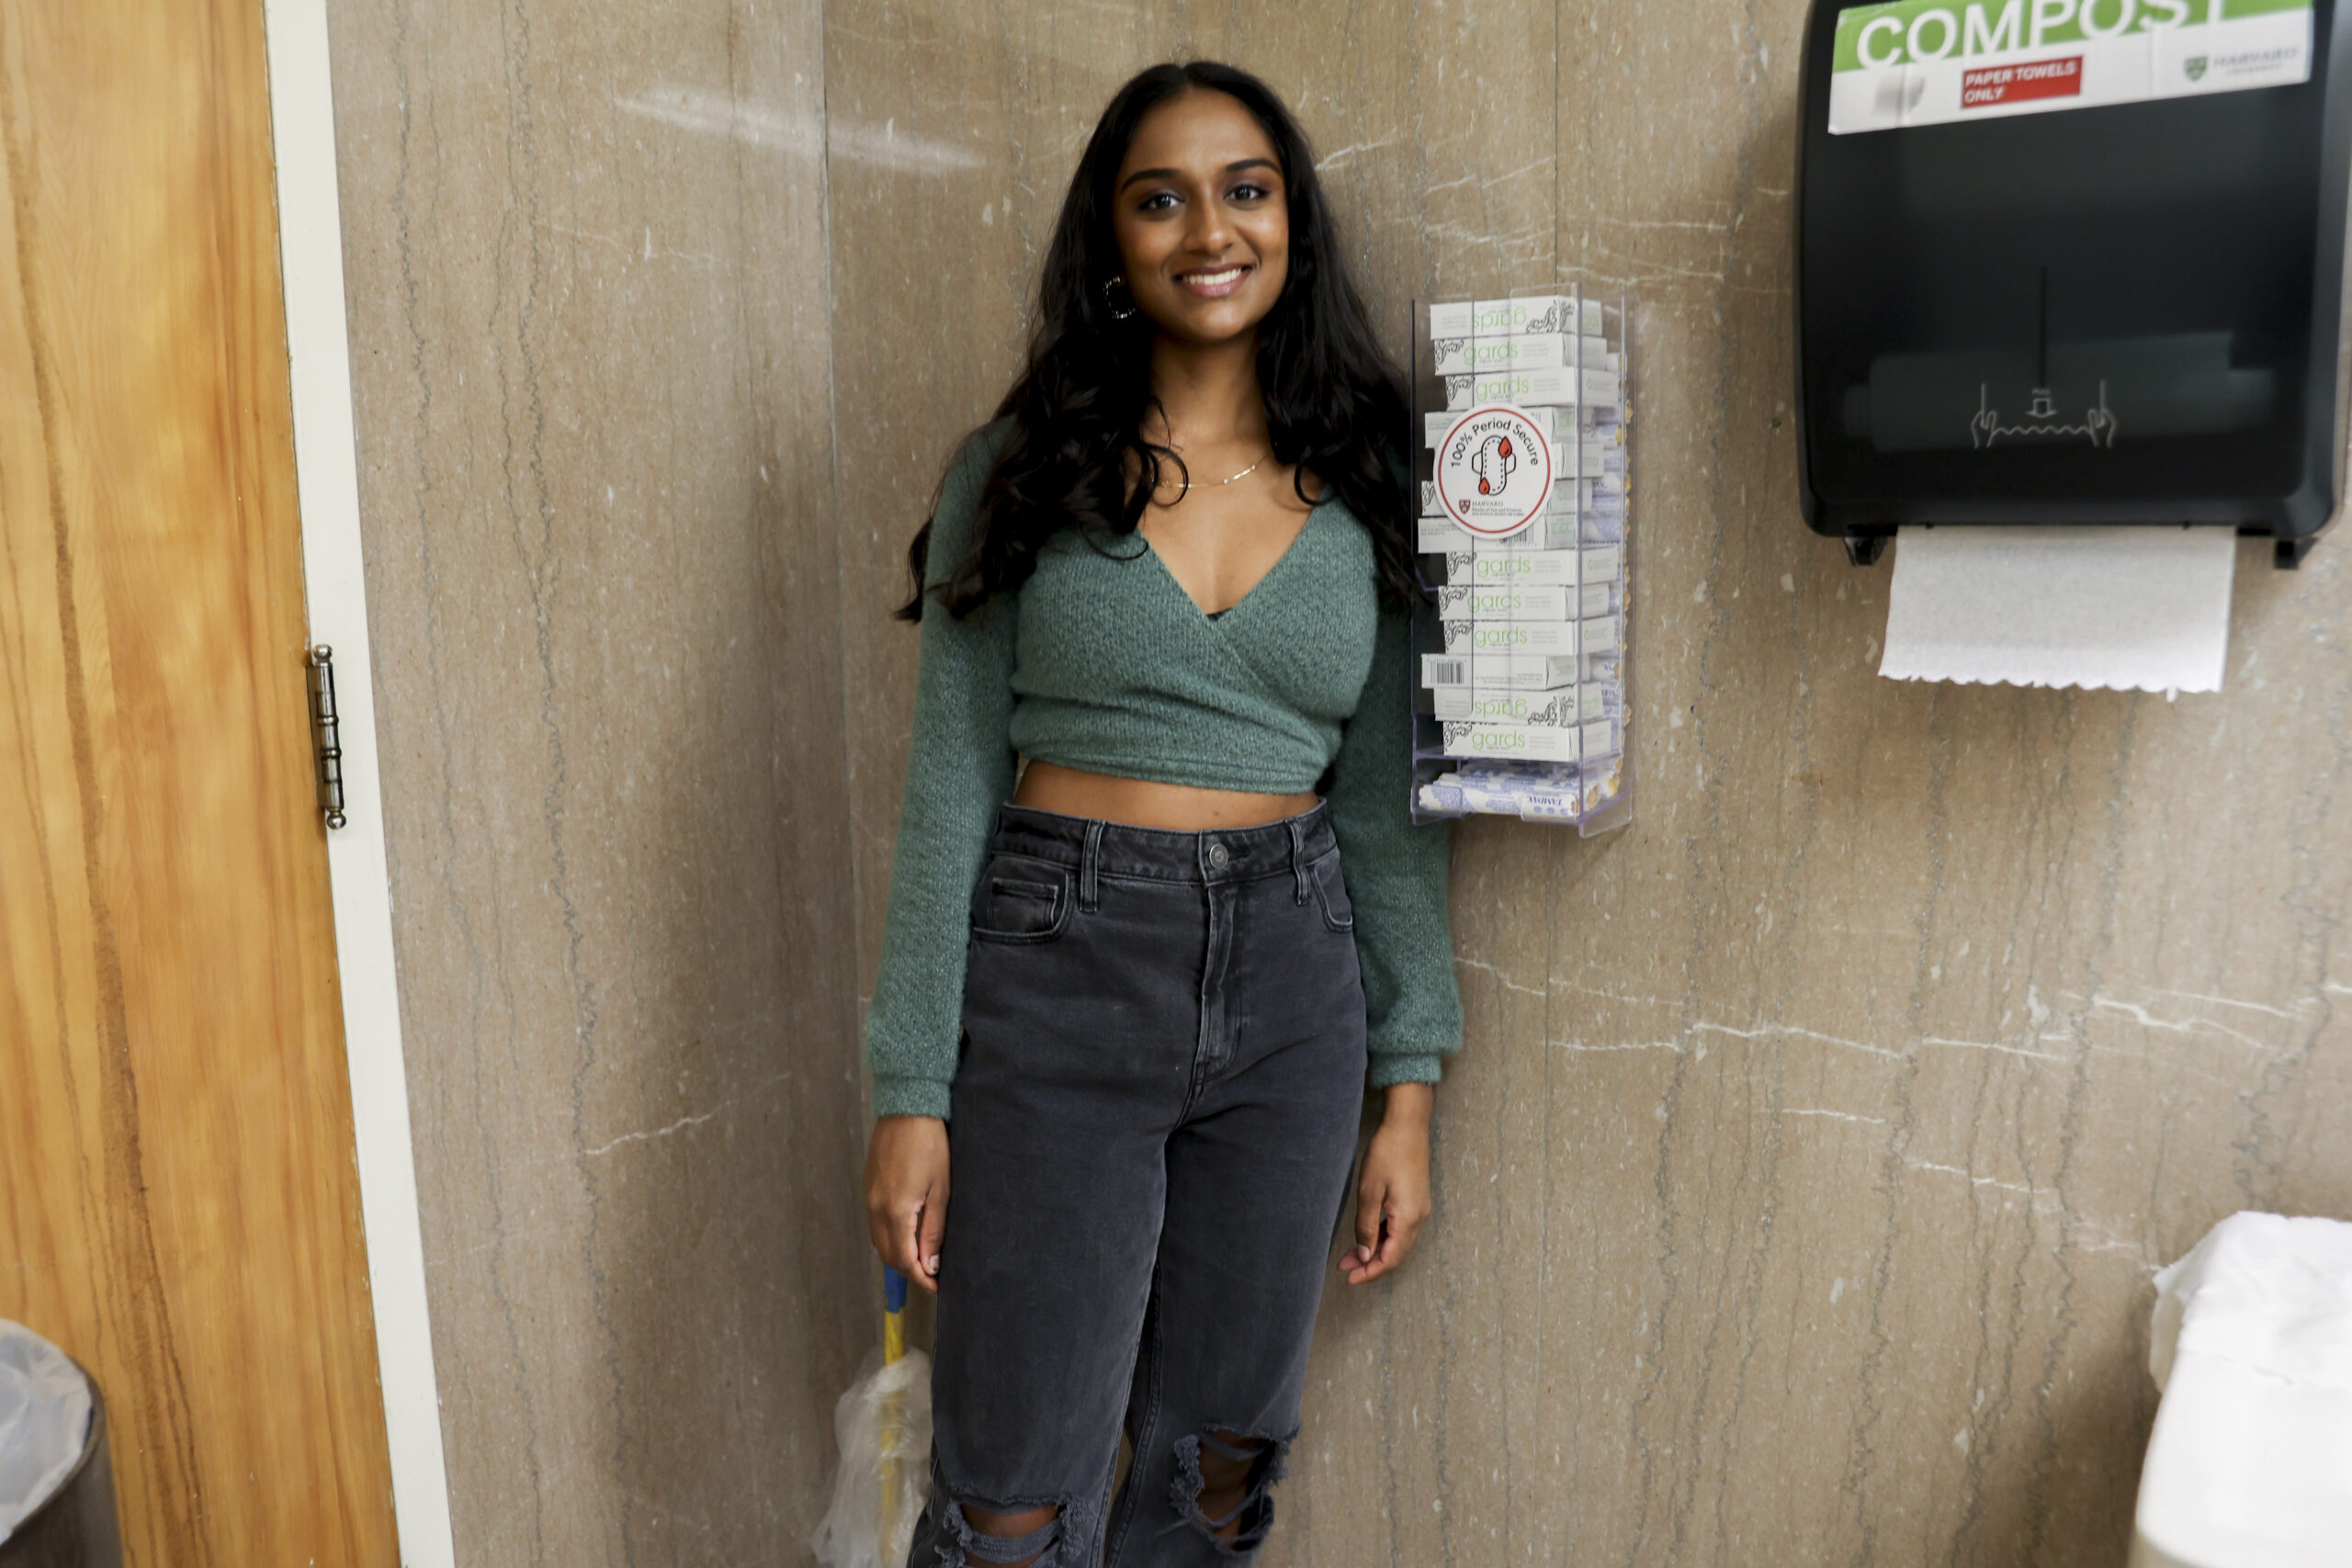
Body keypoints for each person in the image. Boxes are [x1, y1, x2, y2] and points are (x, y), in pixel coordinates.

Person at [860, 60, 1460, 1568]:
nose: (1210, 227)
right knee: (1011, 1494)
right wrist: (909, 1089)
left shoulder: (1374, 478)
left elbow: (1387, 811)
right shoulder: (1018, 472)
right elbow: (949, 788)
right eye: (1161, 196)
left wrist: (1411, 1080)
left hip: (1295, 982)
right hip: (1061, 968)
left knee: (1214, 1473)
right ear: (1112, 239)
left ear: (1292, 223)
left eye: (1245, 189)